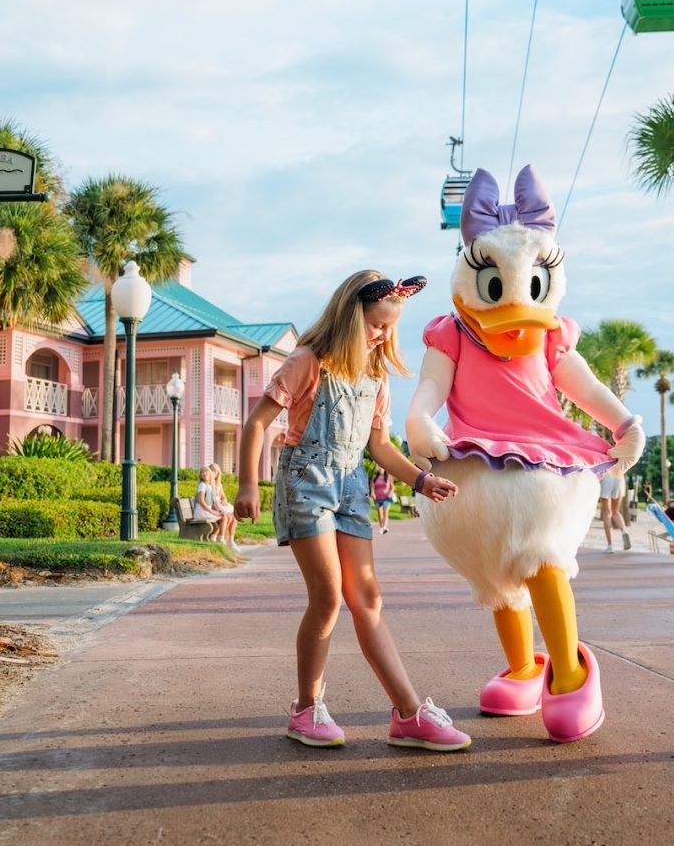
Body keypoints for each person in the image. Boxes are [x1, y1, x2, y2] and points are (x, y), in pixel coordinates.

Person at [235, 270, 471, 752]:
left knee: (368, 598)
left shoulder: (375, 376)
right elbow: (257, 423)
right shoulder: (307, 362)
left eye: (390, 327)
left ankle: (409, 715)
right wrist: (245, 485)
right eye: (376, 324)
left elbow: (379, 445)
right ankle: (305, 709)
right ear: (350, 316)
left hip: (352, 487)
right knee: (328, 598)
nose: (383, 334)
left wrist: (421, 480)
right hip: (307, 482)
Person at [194, 463, 238, 555]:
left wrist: (219, 508)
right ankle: (219, 539)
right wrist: (212, 511)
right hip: (202, 512)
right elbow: (201, 501)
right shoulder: (202, 485)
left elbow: (217, 500)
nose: (205, 474)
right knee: (224, 517)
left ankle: (222, 538)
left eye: (207, 472)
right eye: (203, 472)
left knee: (226, 516)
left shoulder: (209, 486)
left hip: (206, 510)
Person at [599, 468, 630, 552]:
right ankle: (624, 531)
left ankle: (610, 546)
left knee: (607, 513)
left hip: (606, 476)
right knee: (615, 511)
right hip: (619, 478)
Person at [371, 468, 395, 533]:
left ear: (384, 469)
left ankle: (384, 527)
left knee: (385, 511)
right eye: (379, 468)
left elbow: (392, 487)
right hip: (377, 498)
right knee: (379, 512)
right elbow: (372, 487)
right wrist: (372, 493)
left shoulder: (389, 477)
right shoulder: (374, 477)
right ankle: (381, 526)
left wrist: (390, 493)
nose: (380, 469)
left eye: (381, 468)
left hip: (386, 498)